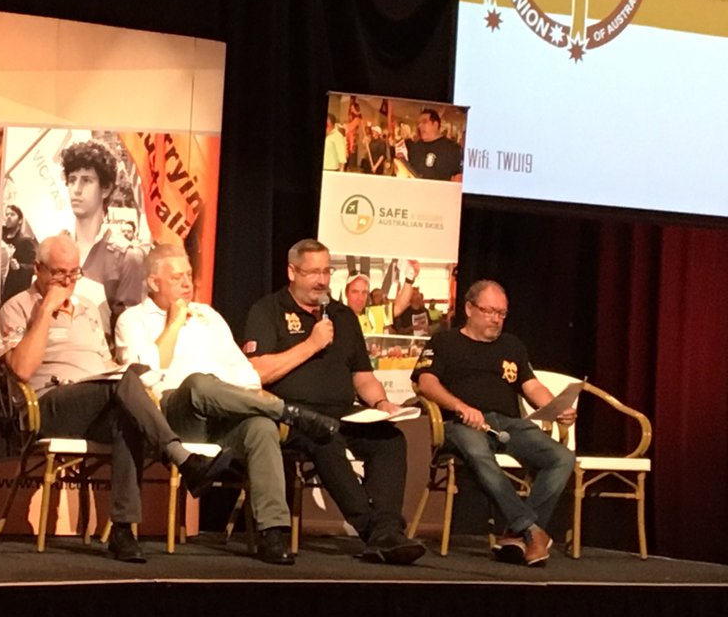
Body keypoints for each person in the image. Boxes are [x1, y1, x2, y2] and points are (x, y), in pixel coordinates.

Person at [0, 234, 233, 563]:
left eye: (74, 273)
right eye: (59, 273)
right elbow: (21, 370)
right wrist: (46, 310)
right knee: (121, 386)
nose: (67, 282)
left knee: (128, 416)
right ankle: (182, 458)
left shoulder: (88, 309)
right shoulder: (16, 307)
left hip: (96, 397)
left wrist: (126, 376)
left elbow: (104, 363)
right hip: (50, 403)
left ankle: (123, 530)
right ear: (38, 269)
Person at [115, 245, 340, 565]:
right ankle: (288, 412)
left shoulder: (209, 316)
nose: (187, 284)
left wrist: (249, 397)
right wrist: (174, 324)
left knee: (261, 427)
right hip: (174, 415)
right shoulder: (133, 320)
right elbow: (144, 374)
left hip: (224, 416)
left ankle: (272, 532)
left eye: (189, 275)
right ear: (153, 282)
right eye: (177, 277)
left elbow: (242, 370)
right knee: (198, 383)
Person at [243, 239, 425, 565]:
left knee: (390, 439)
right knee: (325, 437)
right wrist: (312, 345)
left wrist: (381, 403)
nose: (322, 280)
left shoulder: (343, 316)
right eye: (313, 272)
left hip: (345, 412)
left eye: (327, 272)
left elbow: (362, 376)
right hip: (293, 414)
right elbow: (257, 372)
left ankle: (386, 529)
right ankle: (374, 531)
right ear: (292, 272)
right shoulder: (268, 310)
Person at [411, 279, 576, 565]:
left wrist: (556, 408)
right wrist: (461, 407)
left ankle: (518, 532)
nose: (496, 319)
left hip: (508, 424)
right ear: (469, 309)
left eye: (501, 313)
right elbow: (426, 383)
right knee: (477, 450)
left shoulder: (512, 345)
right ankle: (531, 530)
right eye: (489, 311)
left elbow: (532, 386)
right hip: (461, 423)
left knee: (562, 457)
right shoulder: (444, 342)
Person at [60, 139, 146, 322]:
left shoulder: (127, 257)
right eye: (72, 180)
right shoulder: (56, 247)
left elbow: (129, 328)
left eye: (87, 180)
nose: (76, 189)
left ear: (105, 189)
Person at [395, 108, 462, 182]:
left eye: (424, 122)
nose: (420, 125)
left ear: (435, 124)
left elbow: (458, 176)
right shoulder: (414, 148)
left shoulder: (452, 149)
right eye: (419, 123)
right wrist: (402, 162)